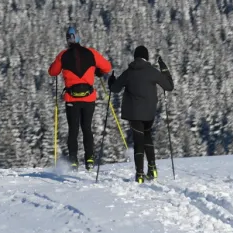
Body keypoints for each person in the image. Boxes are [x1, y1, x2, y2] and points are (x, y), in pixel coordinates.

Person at [48, 26, 112, 171]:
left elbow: (52, 72)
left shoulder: (63, 55)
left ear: (67, 40)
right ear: (78, 37)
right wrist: (97, 71)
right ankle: (89, 159)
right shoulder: (91, 53)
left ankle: (73, 161)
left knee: (73, 130)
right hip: (89, 98)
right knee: (87, 128)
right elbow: (107, 67)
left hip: (71, 98)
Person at [108, 46, 174, 183]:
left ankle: (139, 174)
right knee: (147, 136)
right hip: (149, 112)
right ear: (146, 57)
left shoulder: (128, 73)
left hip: (133, 112)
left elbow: (114, 89)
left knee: (138, 141)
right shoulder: (153, 72)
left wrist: (111, 80)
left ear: (135, 57)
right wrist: (165, 69)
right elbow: (169, 86)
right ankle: (152, 168)